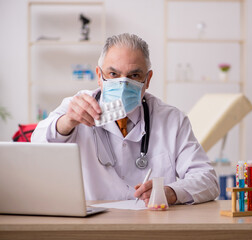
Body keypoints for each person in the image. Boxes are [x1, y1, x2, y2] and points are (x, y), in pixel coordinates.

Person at [32, 33, 219, 205]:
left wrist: (171, 192)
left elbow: (208, 180)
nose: (122, 84)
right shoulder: (77, 106)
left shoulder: (171, 119)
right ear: (99, 76)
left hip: (152, 225)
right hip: (93, 226)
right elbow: (37, 146)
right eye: (113, 74)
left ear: (147, 79)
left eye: (134, 75)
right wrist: (67, 122)